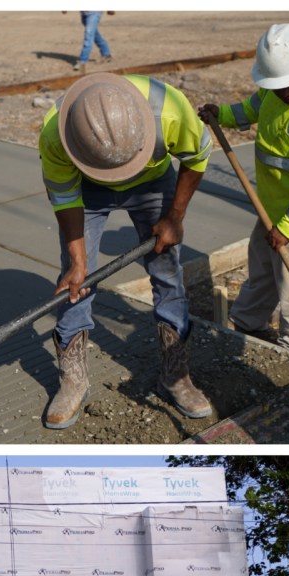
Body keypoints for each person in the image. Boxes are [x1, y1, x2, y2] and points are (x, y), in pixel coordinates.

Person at [40, 72, 214, 429]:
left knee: (167, 270)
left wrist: (175, 217)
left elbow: (197, 157)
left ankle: (175, 375)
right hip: (88, 190)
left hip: (152, 181)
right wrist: (78, 260)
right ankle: (73, 381)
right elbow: (63, 195)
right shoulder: (56, 132)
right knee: (76, 280)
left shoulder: (170, 109)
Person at [199, 23, 289, 355]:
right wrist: (220, 114)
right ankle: (247, 323)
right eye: (277, 87)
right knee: (263, 271)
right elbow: (252, 109)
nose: (284, 93)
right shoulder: (277, 87)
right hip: (271, 209)